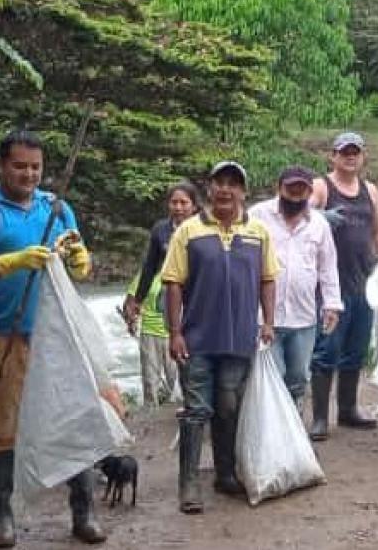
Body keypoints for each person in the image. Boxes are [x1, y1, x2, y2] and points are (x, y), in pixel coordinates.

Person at [0, 130, 108, 547]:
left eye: (35, 167)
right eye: (19, 166)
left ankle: (84, 510)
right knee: (2, 426)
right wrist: (11, 261)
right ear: (2, 166)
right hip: (2, 334)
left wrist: (79, 260)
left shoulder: (57, 207)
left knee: (74, 417)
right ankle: (1, 515)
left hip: (58, 336)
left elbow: (79, 262)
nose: (29, 174)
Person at [161, 160, 279, 514]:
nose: (226, 190)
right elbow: (173, 283)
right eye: (219, 183)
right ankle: (189, 484)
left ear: (243, 191)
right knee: (197, 411)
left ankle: (226, 474)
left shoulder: (258, 232)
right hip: (197, 339)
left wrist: (268, 322)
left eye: (234, 184)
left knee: (230, 408)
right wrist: (175, 331)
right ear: (209, 189)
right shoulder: (189, 231)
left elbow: (268, 278)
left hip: (239, 339)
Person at [307, 131, 378, 441]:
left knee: (356, 348)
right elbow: (299, 216)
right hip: (329, 284)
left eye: (355, 152)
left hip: (364, 281)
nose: (350, 157)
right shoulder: (321, 186)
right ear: (333, 156)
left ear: (363, 156)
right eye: (344, 152)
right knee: (327, 350)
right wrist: (319, 216)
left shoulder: (371, 191)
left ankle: (348, 410)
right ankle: (320, 418)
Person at [249, 165, 343, 408]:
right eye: (291, 188)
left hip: (303, 317)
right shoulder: (257, 215)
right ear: (279, 188)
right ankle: (272, 440)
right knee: (272, 379)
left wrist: (332, 304)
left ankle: (294, 436)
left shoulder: (319, 224)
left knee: (299, 378)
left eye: (302, 189)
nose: (296, 194)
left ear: (310, 192)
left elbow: (328, 265)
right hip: (264, 317)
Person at [122, 182, 200, 406]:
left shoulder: (202, 228)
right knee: (177, 344)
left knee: (195, 347)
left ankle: (192, 398)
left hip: (197, 296)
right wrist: (137, 299)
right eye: (174, 202)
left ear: (194, 206)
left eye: (184, 202)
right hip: (170, 295)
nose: (178, 207)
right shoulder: (161, 230)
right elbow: (149, 267)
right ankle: (181, 400)